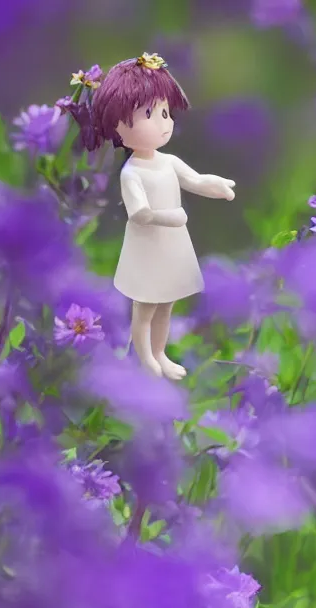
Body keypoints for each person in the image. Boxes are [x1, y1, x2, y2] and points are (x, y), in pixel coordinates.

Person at [60, 53, 235, 379]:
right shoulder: (131, 173)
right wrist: (171, 217)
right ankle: (144, 359)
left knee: (166, 305)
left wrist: (218, 185)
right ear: (117, 126)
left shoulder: (167, 161)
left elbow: (194, 180)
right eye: (150, 114)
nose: (164, 122)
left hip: (171, 245)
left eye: (166, 112)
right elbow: (139, 213)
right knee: (145, 308)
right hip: (147, 247)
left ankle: (159, 353)